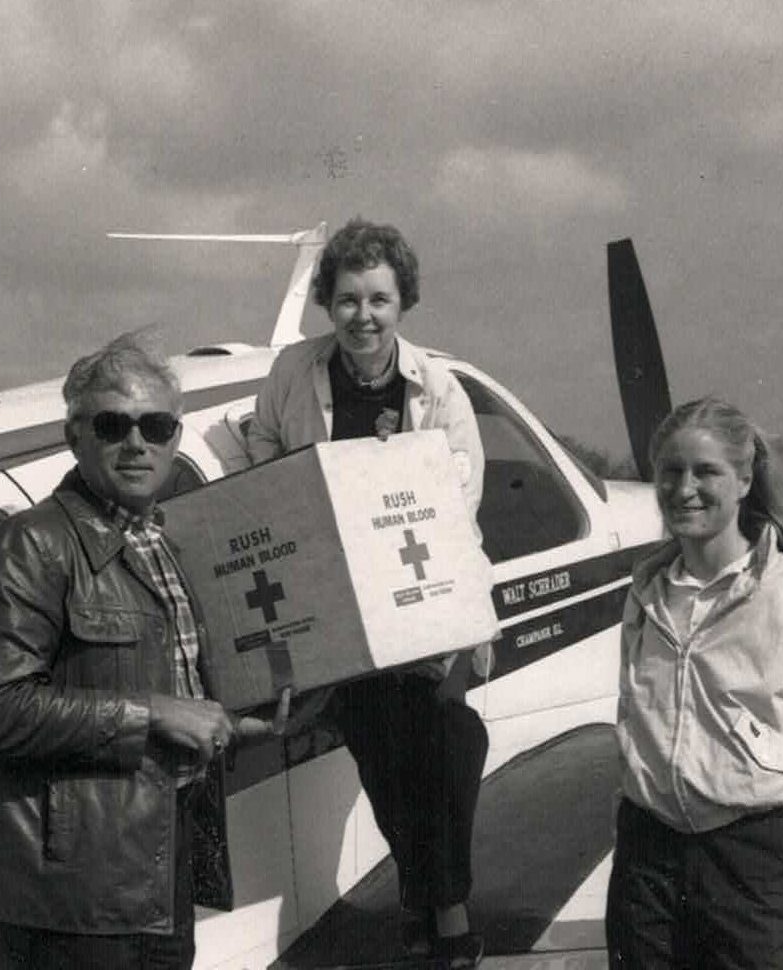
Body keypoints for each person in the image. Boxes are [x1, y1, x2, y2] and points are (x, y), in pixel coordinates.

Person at [0, 332, 286, 969]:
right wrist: (157, 714)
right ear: (74, 435)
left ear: (176, 437)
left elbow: (172, 683)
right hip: (79, 895)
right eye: (113, 425)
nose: (137, 443)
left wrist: (227, 725)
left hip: (160, 869)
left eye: (156, 425)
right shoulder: (32, 545)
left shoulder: (166, 542)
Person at [247, 217, 490, 966]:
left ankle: (437, 903)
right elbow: (262, 443)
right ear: (328, 303)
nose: (363, 316)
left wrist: (392, 485)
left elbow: (459, 494)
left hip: (420, 581)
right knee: (394, 754)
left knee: (446, 743)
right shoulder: (293, 372)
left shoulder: (438, 386)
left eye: (379, 299)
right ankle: (438, 907)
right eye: (348, 299)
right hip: (334, 595)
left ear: (403, 303)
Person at [607, 397, 783, 969]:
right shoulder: (644, 594)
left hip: (752, 865)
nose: (684, 489)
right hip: (645, 859)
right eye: (670, 472)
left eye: (706, 472)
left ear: (745, 478)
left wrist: (766, 843)